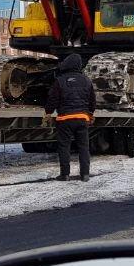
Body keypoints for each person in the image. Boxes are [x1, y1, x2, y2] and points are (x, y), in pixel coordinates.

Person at [45, 53, 97, 181]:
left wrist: (48, 112)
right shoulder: (86, 80)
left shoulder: (60, 81)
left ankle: (65, 174)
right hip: (82, 118)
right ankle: (85, 174)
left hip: (65, 119)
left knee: (64, 147)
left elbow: (53, 99)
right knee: (83, 147)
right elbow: (92, 101)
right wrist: (90, 113)